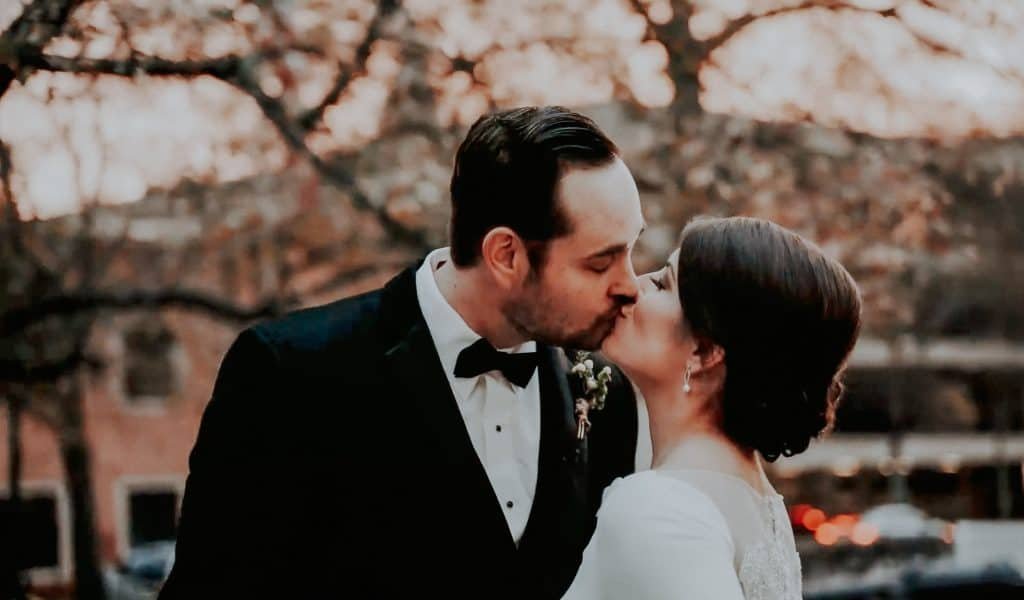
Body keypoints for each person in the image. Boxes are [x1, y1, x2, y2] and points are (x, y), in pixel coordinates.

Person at [159, 106, 647, 599]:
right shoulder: (288, 375)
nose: (631, 286)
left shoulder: (606, 396)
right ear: (505, 254)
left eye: (631, 250)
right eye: (600, 263)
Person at [564, 216, 862, 600]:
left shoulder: (660, 508)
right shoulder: (758, 506)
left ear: (704, 351)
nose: (631, 286)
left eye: (661, 283)